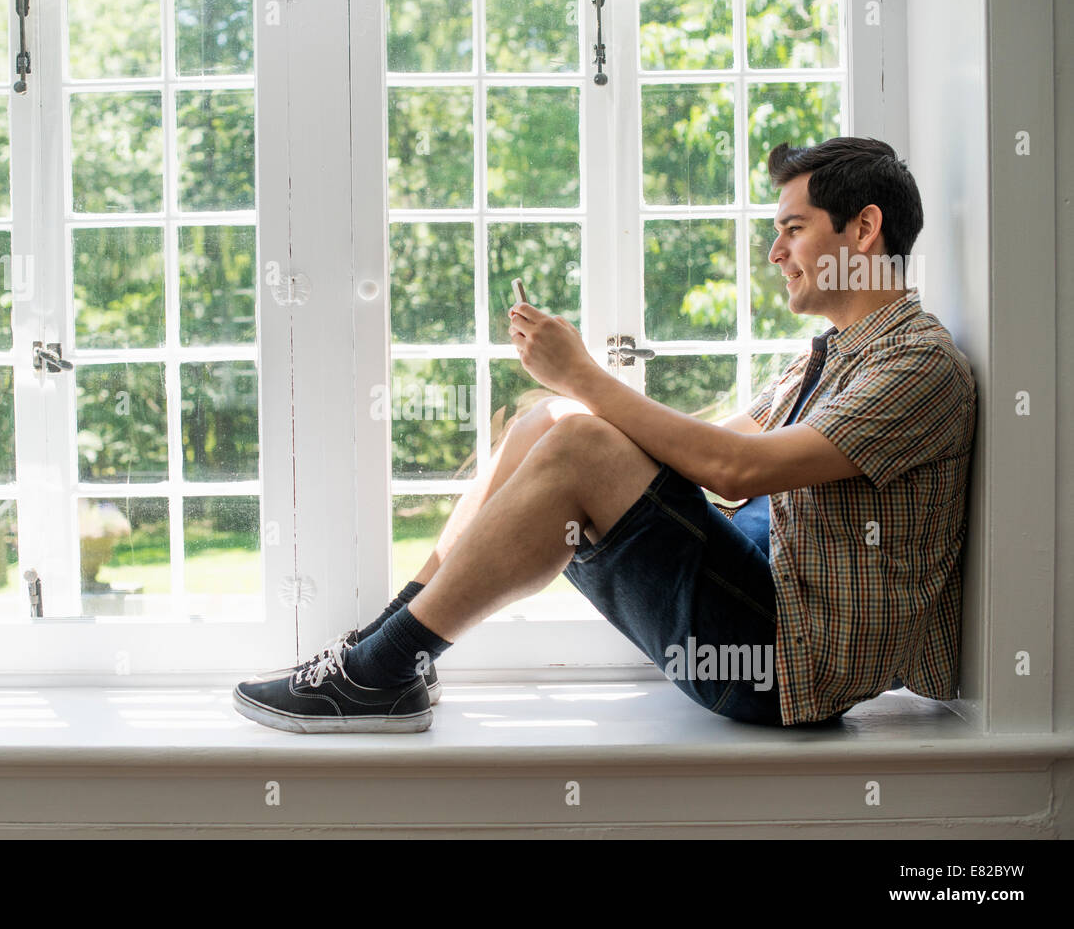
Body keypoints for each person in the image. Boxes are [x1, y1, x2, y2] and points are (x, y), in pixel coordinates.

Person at [233, 136, 978, 733]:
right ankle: (386, 652)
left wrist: (586, 375)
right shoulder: (826, 356)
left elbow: (734, 470)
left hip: (784, 665)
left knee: (578, 437)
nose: (775, 253)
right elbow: (702, 451)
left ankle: (378, 670)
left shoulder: (918, 366)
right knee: (553, 423)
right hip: (754, 608)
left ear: (865, 228)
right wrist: (568, 395)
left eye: (792, 229)